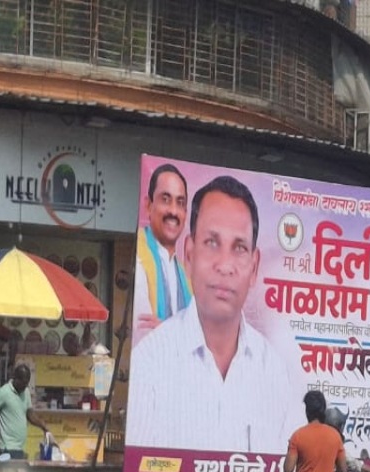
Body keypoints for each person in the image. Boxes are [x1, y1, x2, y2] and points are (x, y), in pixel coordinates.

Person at [128, 175, 299, 455]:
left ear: (254, 267)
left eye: (239, 248)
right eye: (211, 242)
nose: (225, 265)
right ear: (190, 254)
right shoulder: (150, 362)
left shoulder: (274, 371)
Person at [134, 164, 192, 342]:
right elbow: (144, 336)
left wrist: (165, 331)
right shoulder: (139, 257)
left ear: (185, 213)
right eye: (165, 199)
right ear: (148, 205)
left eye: (180, 203)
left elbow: (201, 342)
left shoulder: (185, 277)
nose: (173, 211)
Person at [0, 365, 50, 472]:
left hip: (18, 448)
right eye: (23, 383)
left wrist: (43, 426)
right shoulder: (4, 392)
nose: (24, 387)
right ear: (15, 378)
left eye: (27, 384)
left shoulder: (25, 392)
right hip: (5, 448)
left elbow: (29, 414)